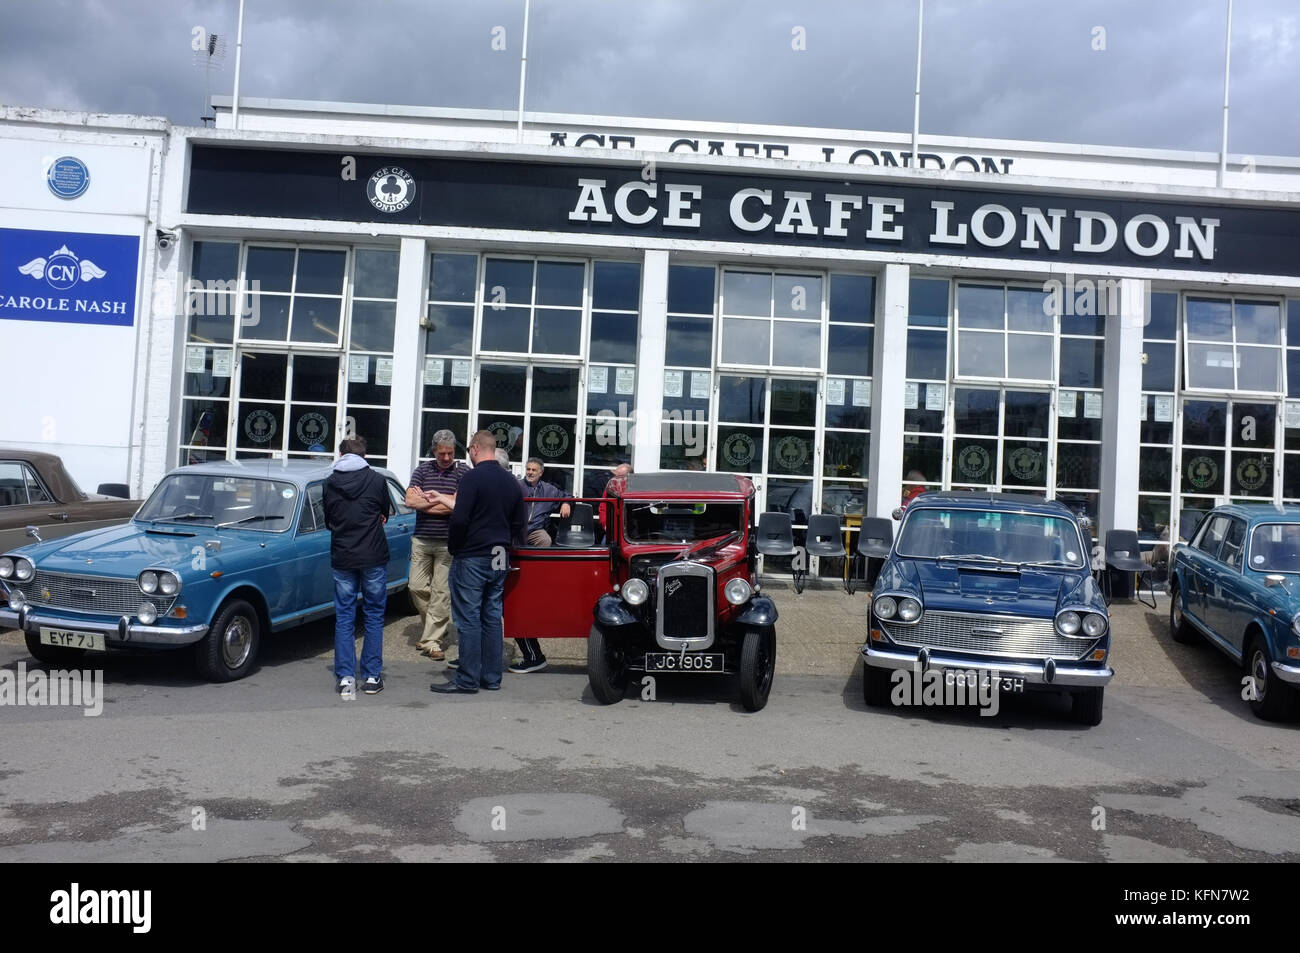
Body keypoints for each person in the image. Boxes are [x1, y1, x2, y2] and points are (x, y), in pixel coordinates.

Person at [430, 431, 526, 695]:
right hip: (500, 554)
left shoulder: (471, 478)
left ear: (474, 449)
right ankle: (491, 677)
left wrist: (454, 547)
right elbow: (519, 523)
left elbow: (460, 519)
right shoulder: (511, 481)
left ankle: (468, 678)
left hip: (473, 553)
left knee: (468, 617)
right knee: (492, 615)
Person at [322, 436, 393, 700]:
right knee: (374, 614)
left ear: (341, 455)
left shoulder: (329, 482)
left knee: (344, 616)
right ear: (364, 456)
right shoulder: (377, 480)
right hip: (373, 554)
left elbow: (329, 520)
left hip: (343, 555)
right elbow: (385, 513)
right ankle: (372, 676)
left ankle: (346, 677)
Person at [405, 430, 469, 661]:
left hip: (448, 542)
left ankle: (432, 642)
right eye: (442, 453)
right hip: (421, 539)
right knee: (415, 587)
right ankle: (434, 628)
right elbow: (409, 500)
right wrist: (445, 501)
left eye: (450, 453)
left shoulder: (462, 472)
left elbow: (459, 504)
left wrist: (427, 500)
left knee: (441, 592)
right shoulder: (422, 471)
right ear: (434, 451)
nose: (446, 457)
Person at [509, 458, 573, 674]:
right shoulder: (517, 486)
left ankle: (539, 576)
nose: (530, 472)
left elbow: (568, 496)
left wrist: (566, 503)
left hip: (536, 531)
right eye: (528, 469)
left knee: (545, 539)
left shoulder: (549, 489)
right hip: (517, 530)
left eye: (534, 470)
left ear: (541, 472)